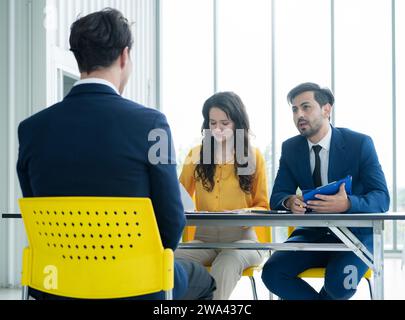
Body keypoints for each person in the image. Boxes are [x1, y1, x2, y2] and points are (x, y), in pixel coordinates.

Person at [16, 8, 215, 300]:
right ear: (124, 56)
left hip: (58, 283)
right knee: (203, 280)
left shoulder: (31, 129)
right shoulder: (153, 125)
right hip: (136, 286)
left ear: (79, 57)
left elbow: (36, 209)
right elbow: (172, 221)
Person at [261, 82, 390, 300]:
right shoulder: (291, 148)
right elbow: (278, 195)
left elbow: (382, 198)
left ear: (326, 109)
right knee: (272, 273)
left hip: (354, 237)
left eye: (305, 107)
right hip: (312, 234)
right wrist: (289, 201)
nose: (299, 114)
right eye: (294, 109)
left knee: (340, 285)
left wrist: (347, 204)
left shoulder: (359, 143)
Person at [175, 92, 270, 300]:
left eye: (225, 123)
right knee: (167, 260)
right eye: (212, 123)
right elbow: (178, 197)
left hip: (242, 241)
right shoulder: (195, 155)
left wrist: (245, 213)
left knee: (227, 261)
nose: (217, 129)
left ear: (237, 124)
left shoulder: (253, 157)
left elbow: (263, 205)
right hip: (203, 240)